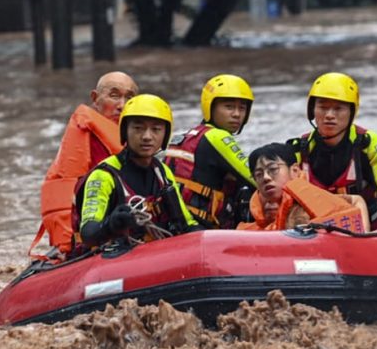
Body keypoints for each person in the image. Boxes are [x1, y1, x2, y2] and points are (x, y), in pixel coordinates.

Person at [29, 71, 139, 259]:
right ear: (95, 99)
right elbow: (68, 195)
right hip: (93, 236)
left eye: (129, 98)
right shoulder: (84, 136)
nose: (122, 105)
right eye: (114, 96)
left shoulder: (143, 140)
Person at [77, 94, 199, 247]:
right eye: (138, 128)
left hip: (157, 254)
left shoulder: (162, 172)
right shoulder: (103, 176)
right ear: (125, 131)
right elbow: (88, 233)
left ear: (165, 134)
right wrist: (111, 224)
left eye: (156, 129)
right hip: (114, 259)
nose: (147, 136)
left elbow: (187, 223)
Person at [287, 72, 377, 230]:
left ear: (351, 112)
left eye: (338, 108)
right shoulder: (298, 149)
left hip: (367, 230)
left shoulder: (369, 144)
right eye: (323, 107)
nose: (329, 115)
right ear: (312, 110)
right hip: (312, 232)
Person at [164, 74, 257, 228]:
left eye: (242, 108)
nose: (236, 114)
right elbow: (255, 178)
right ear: (210, 107)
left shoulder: (187, 137)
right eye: (229, 107)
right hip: (202, 230)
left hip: (174, 225)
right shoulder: (217, 137)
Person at [238, 142, 369, 232]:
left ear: (294, 171)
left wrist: (364, 236)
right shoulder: (256, 216)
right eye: (259, 174)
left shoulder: (311, 201)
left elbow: (356, 201)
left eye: (273, 169)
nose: (266, 177)